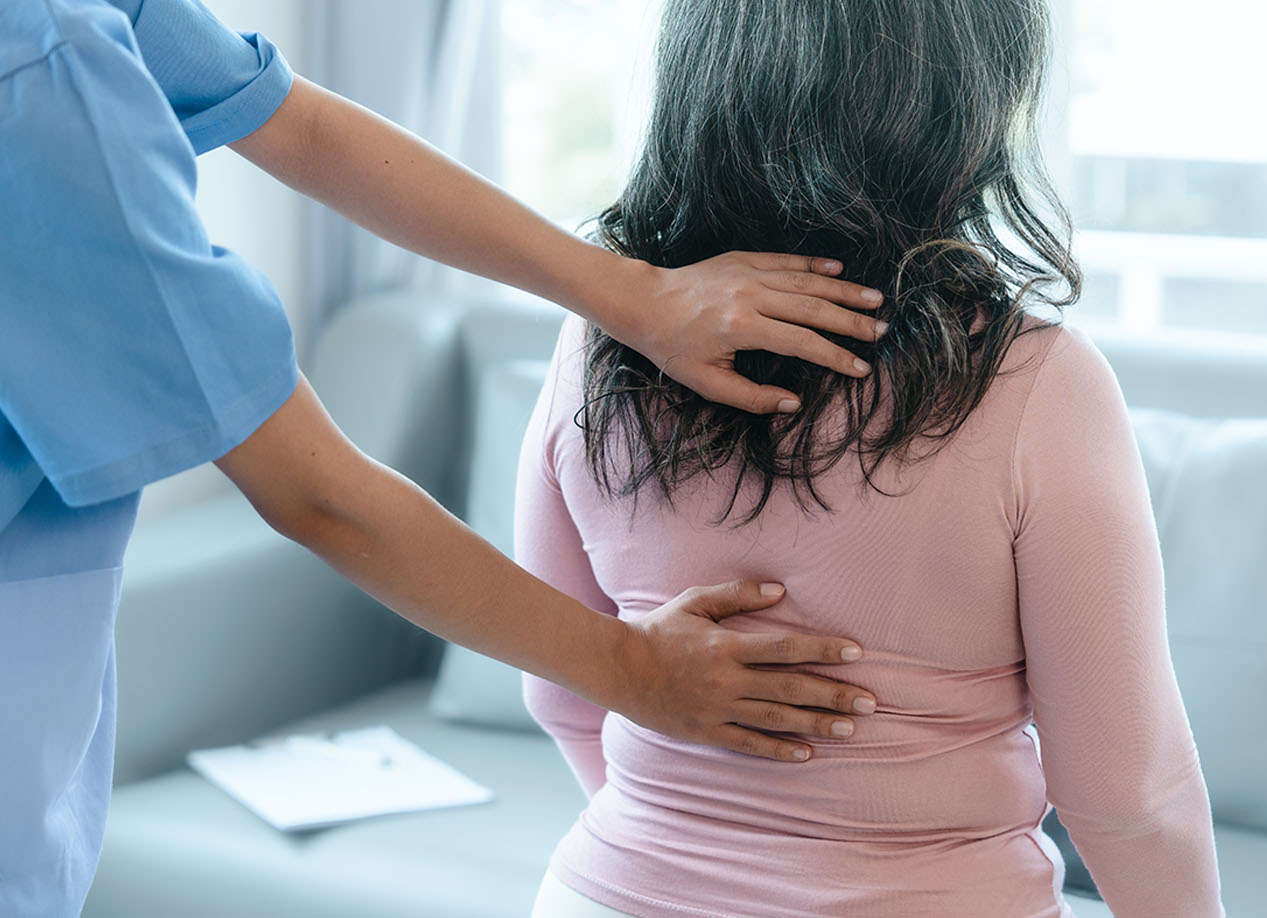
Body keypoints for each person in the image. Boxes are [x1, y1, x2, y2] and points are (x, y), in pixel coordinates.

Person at [0, 1, 889, 914]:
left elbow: (294, 122)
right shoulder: (40, 75)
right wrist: (639, 674)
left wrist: (633, 294)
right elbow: (316, 494)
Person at [517, 0, 1226, 915]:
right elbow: (1129, 795)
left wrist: (688, 866)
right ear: (965, 101)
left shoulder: (603, 342)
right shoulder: (1033, 382)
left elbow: (563, 692)